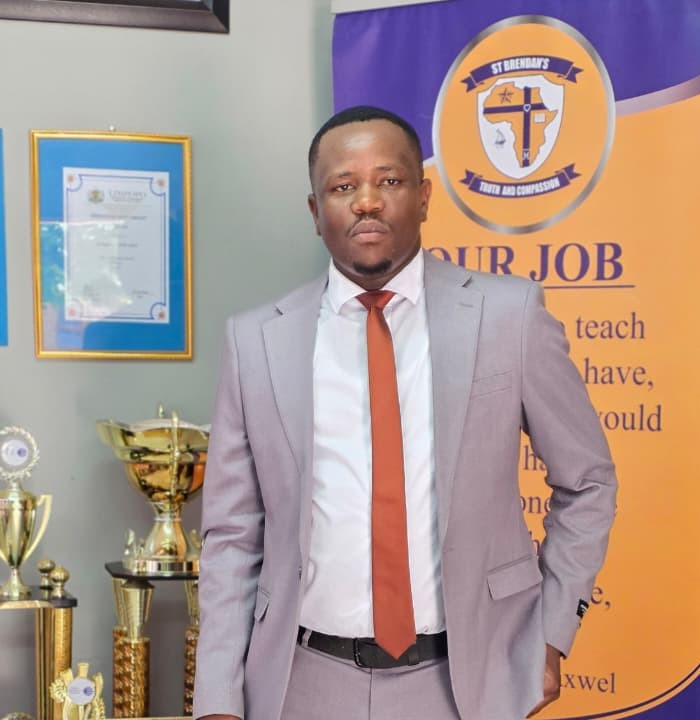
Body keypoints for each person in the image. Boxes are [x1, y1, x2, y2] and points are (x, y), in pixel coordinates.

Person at [192, 105, 617, 720]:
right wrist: (217, 696)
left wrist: (551, 632)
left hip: (468, 680)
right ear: (315, 211)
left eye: (388, 180)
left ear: (423, 196)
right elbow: (232, 534)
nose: (366, 201)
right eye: (343, 186)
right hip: (300, 683)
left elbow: (589, 481)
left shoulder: (509, 316)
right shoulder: (255, 341)